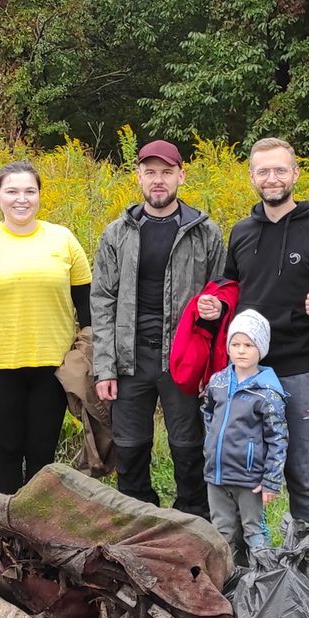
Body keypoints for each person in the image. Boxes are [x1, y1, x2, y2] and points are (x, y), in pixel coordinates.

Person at [195, 137, 309, 563]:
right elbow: (229, 288)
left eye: (280, 169)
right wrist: (214, 305)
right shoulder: (242, 233)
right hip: (244, 372)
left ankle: (304, 569)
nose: (272, 178)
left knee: (303, 472)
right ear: (251, 177)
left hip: (299, 370)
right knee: (241, 472)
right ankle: (245, 567)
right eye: (263, 171)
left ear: (295, 173)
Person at [91, 140, 225, 519]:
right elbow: (101, 301)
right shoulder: (117, 233)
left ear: (181, 175)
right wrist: (105, 367)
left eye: (167, 172)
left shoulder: (206, 233)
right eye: (150, 172)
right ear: (139, 177)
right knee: (130, 450)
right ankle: (136, 528)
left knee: (188, 448)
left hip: (184, 361)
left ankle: (193, 527)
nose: (158, 180)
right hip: (130, 358)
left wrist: (215, 315)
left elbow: (224, 292)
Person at [0, 160, 93, 493]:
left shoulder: (63, 239)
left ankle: (37, 535)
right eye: (12, 191)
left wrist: (89, 356)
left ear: (40, 195)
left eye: (30, 191)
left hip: (54, 366)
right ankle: (3, 535)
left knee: (43, 455)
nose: (21, 199)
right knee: (8, 451)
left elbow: (86, 303)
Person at [200, 310, 286, 565]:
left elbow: (278, 438)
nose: (241, 350)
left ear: (260, 348)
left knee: (254, 531)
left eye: (248, 345)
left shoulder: (268, 392)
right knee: (221, 531)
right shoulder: (218, 382)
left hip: (250, 479)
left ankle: (265, 580)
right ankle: (227, 581)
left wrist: (271, 480)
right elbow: (207, 412)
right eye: (235, 344)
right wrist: (210, 446)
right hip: (216, 475)